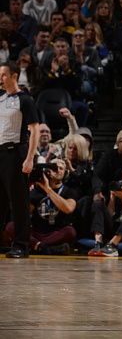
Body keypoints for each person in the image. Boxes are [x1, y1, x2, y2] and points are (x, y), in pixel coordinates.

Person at [0, 61, 40, 258]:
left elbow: (35, 130)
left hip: (15, 153)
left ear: (14, 76)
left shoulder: (25, 100)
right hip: (0, 152)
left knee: (18, 201)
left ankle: (22, 244)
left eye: (3, 75)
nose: (1, 79)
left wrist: (30, 158)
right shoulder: (0, 98)